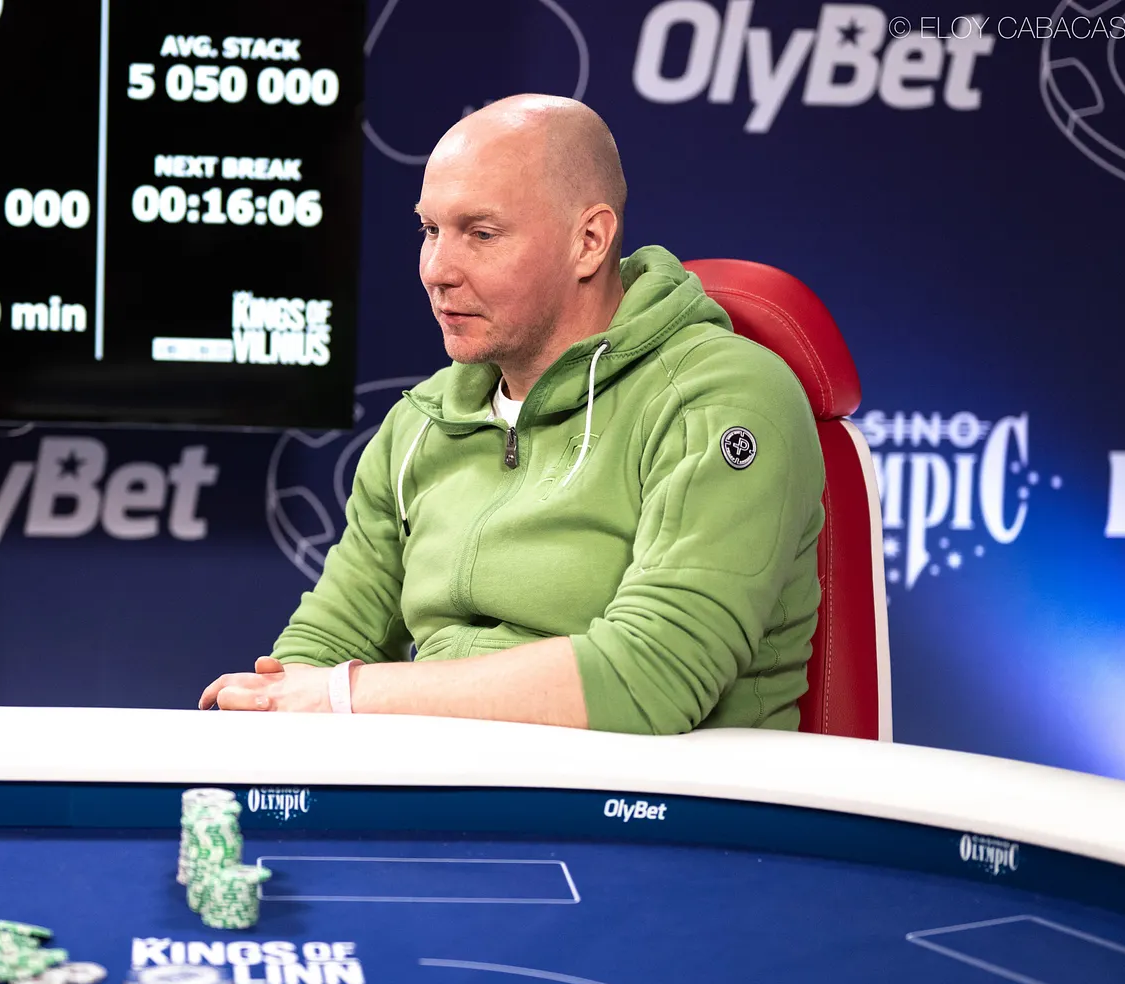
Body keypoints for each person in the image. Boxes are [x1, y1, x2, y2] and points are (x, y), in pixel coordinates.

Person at [199, 94, 824, 732]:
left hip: (656, 790)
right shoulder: (420, 424)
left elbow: (654, 678)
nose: (437, 270)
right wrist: (273, 704)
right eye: (430, 230)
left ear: (589, 241)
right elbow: (322, 649)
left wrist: (344, 694)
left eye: (481, 234)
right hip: (444, 784)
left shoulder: (720, 398)